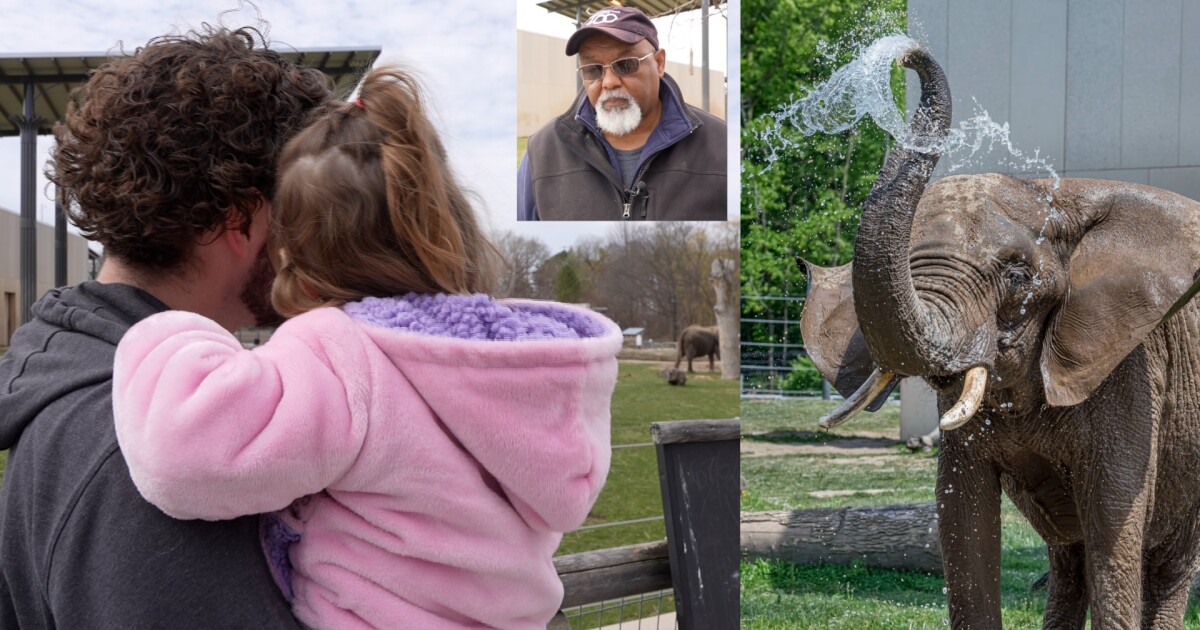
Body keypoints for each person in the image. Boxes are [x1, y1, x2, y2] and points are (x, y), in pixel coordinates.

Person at [111, 66, 622, 629]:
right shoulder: (515, 363)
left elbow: (185, 460)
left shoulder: (340, 355)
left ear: (291, 251)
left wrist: (172, 330)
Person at [0, 26, 330, 628]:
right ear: (243, 215)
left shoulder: (78, 373)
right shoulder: (165, 454)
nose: (318, 238)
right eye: (305, 207)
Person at [517, 6, 727, 221]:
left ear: (659, 63)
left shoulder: (723, 145)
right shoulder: (541, 153)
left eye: (625, 65)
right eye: (593, 69)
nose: (609, 82)